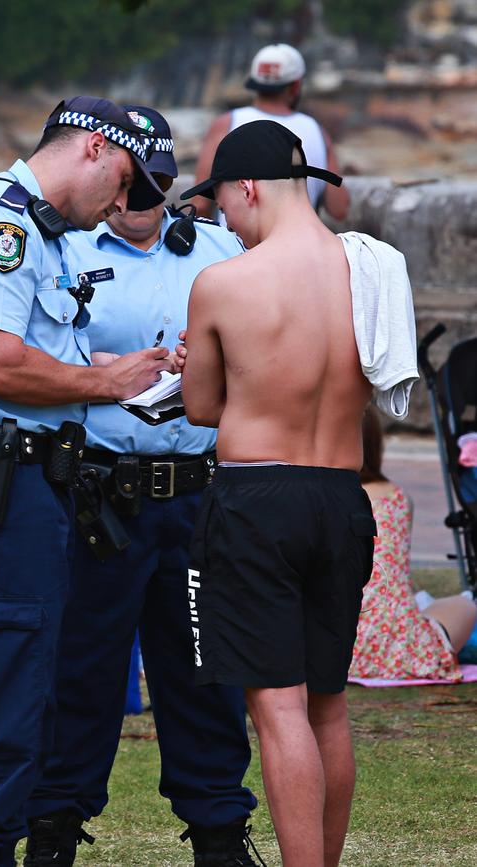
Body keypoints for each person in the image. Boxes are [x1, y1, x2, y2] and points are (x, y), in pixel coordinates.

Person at [0, 95, 173, 867]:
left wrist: (134, 375)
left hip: (27, 483)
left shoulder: (46, 235)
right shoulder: (3, 220)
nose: (123, 205)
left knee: (28, 686)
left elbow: (35, 359)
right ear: (92, 148)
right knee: (2, 686)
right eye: (123, 182)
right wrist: (105, 386)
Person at [25, 106, 262, 867]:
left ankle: (219, 831)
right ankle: (55, 826)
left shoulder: (219, 251)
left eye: (158, 188)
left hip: (194, 490)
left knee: (203, 669)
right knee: (82, 670)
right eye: (133, 187)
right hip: (100, 492)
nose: (140, 203)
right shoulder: (58, 250)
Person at [175, 119, 414, 867]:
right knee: (328, 702)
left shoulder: (223, 282)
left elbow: (202, 409)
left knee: (277, 707)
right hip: (342, 496)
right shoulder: (369, 267)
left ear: (247, 188)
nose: (223, 221)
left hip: (255, 500)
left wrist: (196, 361)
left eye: (222, 206)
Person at [350, 405, 477, 681]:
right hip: (401, 649)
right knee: (466, 606)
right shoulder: (397, 498)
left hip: (333, 644)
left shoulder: (325, 497)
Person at [191, 43, 349, 222]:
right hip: (296, 245)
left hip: (236, 247)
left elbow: (200, 204)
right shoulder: (316, 130)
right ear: (296, 85)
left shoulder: (225, 124)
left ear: (255, 82)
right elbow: (339, 208)